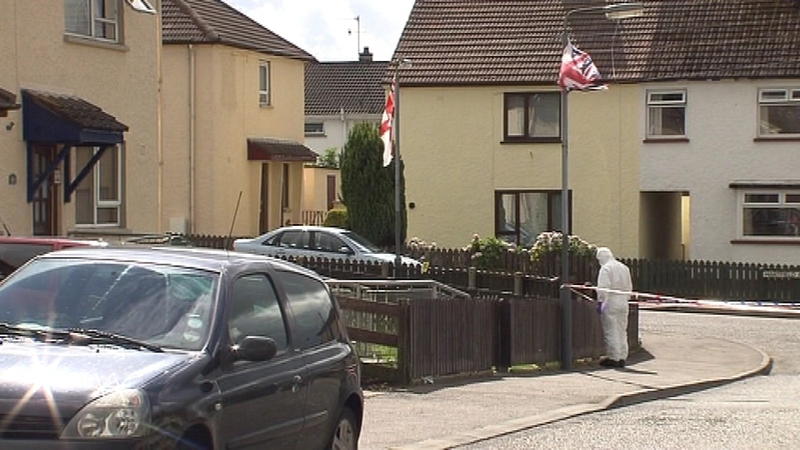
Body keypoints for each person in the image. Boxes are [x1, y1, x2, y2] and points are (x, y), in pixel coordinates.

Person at [595, 247, 632, 368]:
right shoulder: (624, 268)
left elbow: (603, 288)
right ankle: (622, 356)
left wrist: (600, 302)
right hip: (624, 301)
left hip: (610, 301)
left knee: (611, 330)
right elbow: (629, 288)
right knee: (622, 330)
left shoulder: (606, 269)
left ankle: (613, 357)